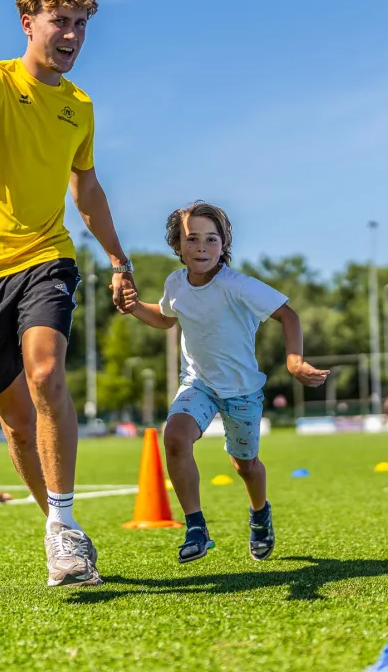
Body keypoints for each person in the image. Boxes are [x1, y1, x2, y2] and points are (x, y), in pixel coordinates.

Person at [0, 0, 135, 587]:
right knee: (18, 422)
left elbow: (87, 191)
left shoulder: (80, 107)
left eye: (80, 24)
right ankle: (60, 528)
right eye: (59, 22)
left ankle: (63, 524)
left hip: (47, 254)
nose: (71, 34)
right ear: (29, 24)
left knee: (46, 372)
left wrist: (119, 260)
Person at [122, 202, 329, 563]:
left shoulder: (238, 286)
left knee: (244, 465)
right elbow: (167, 318)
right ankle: (196, 527)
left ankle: (260, 514)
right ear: (177, 244)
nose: (201, 247)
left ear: (223, 245)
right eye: (192, 239)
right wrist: (136, 307)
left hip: (242, 390)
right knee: (175, 438)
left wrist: (294, 360)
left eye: (211, 239)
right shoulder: (175, 283)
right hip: (198, 384)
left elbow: (288, 315)